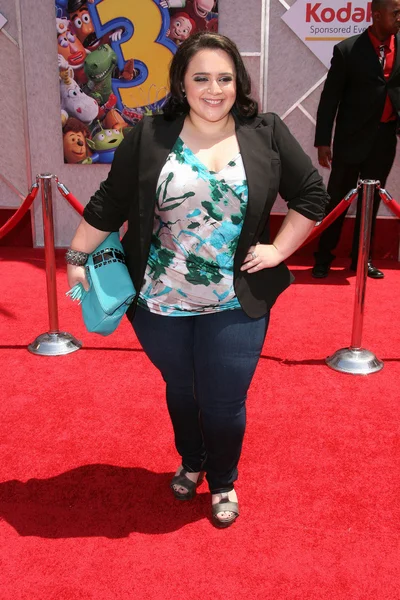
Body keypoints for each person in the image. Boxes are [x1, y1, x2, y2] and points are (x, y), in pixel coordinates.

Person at [66, 31, 328, 528]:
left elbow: (311, 194)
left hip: (236, 300)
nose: (215, 89)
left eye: (225, 78)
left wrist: (278, 250)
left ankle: (223, 478)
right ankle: (192, 460)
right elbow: (110, 202)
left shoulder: (265, 130)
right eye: (201, 77)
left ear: (239, 82)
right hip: (160, 300)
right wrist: (76, 255)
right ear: (181, 84)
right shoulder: (149, 134)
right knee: (182, 389)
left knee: (224, 400)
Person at [312, 0, 400, 280]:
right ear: (376, 15)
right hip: (351, 139)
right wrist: (323, 140)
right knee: (337, 200)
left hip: (385, 138)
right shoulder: (347, 50)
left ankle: (361, 259)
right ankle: (323, 258)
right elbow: (330, 99)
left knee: (371, 201)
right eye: (395, 12)